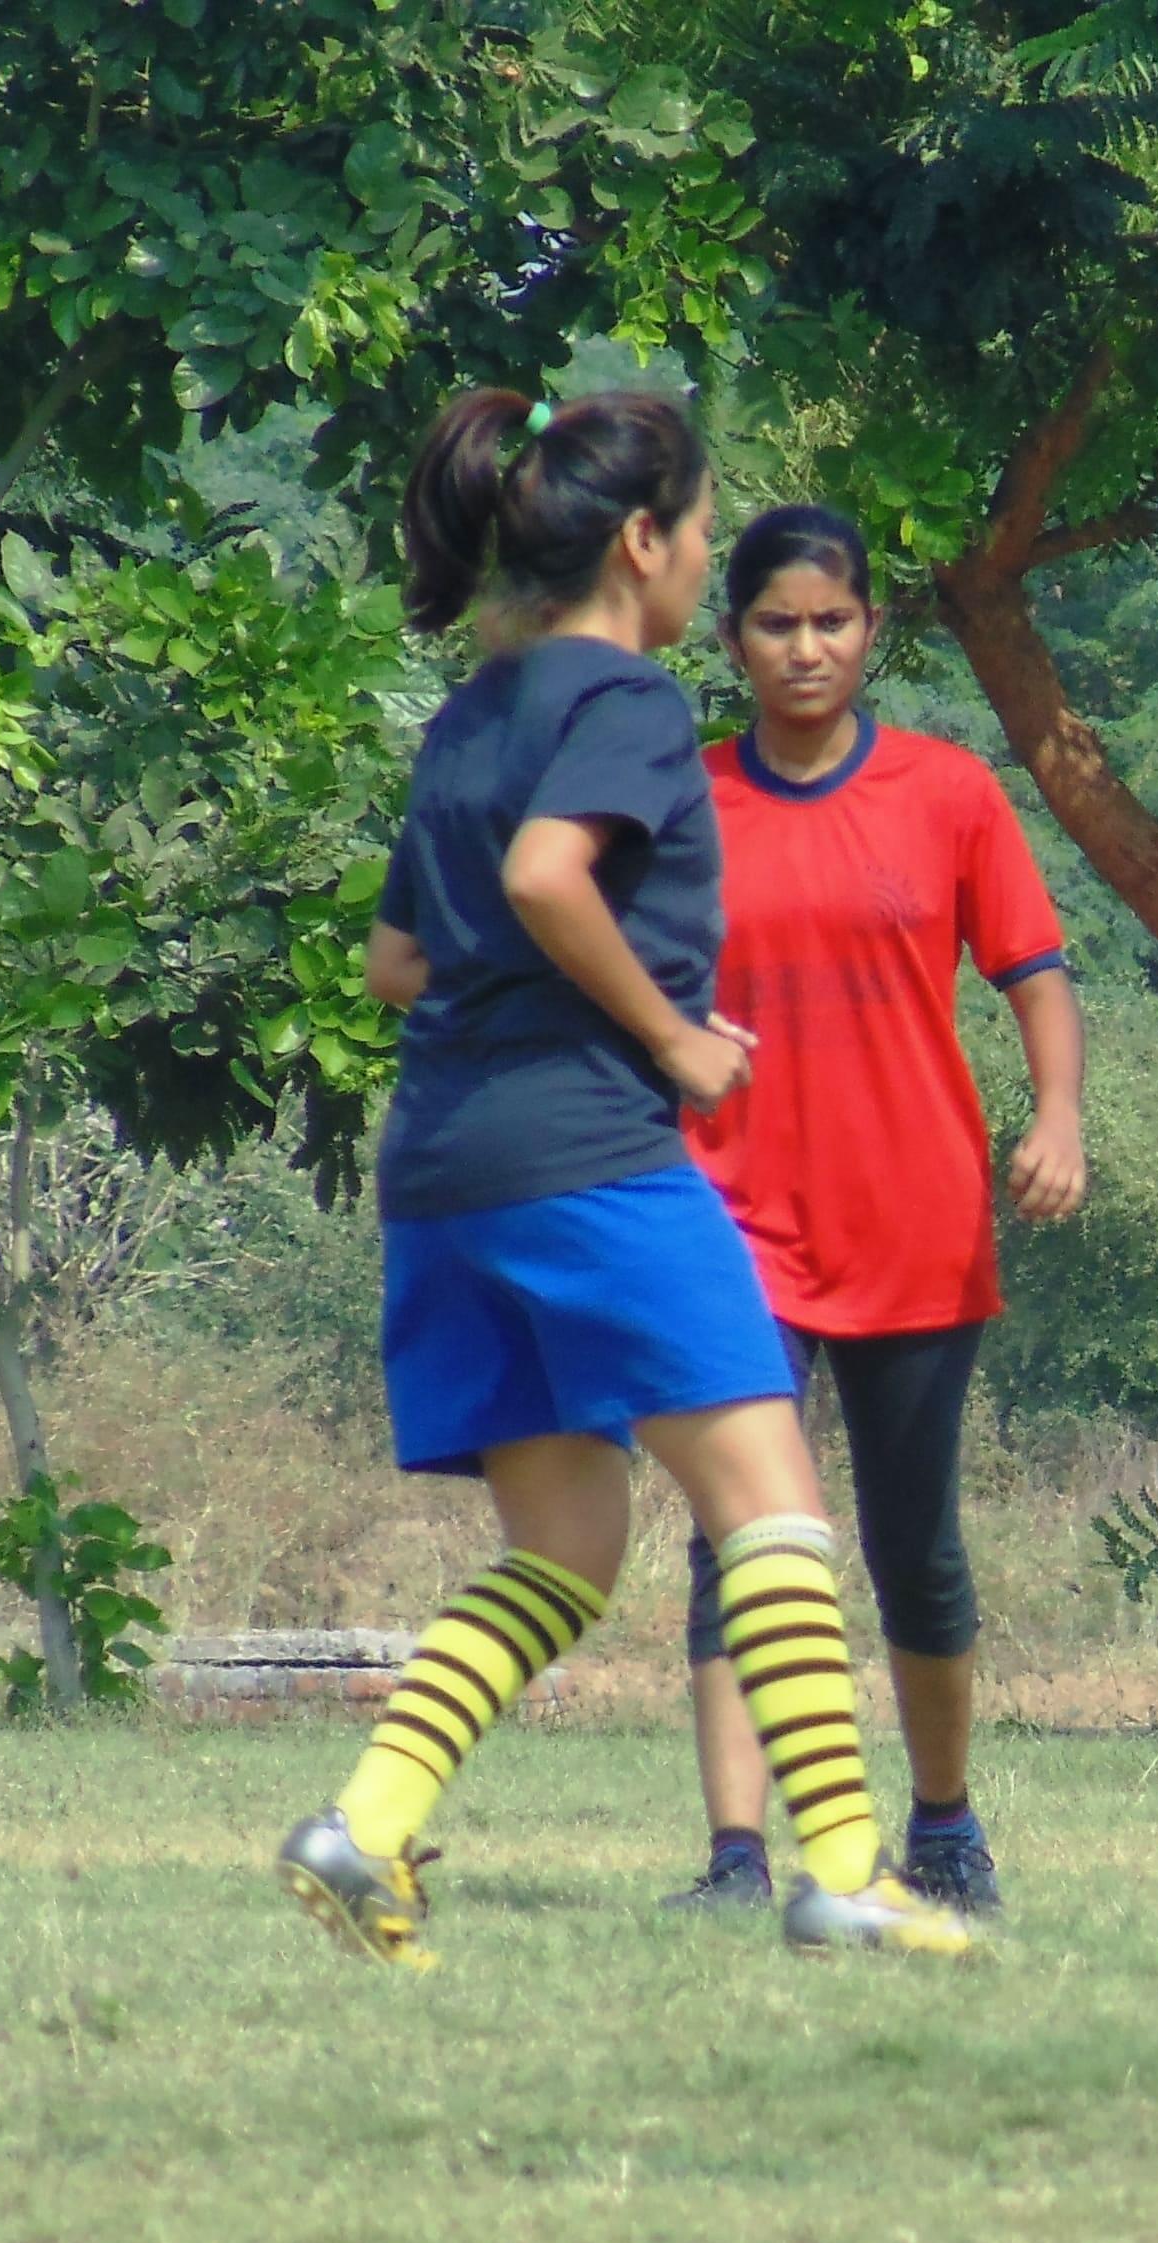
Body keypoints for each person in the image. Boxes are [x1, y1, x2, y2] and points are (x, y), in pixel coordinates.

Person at [274, 391, 971, 1967]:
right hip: (590, 1157)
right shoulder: (632, 702)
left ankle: (363, 1833)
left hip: (445, 1167)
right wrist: (671, 1036)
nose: (705, 560)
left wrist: (587, 995)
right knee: (773, 1510)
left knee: (568, 1550)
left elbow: (400, 959)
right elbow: (544, 875)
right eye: (707, 532)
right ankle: (853, 1877)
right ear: (645, 544)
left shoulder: (475, 711)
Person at [660, 504, 1087, 1919]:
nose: (804, 648)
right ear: (730, 641)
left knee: (913, 1543)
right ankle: (735, 1858)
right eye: (775, 624)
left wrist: (1061, 1119)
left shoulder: (949, 792)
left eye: (830, 621)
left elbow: (1034, 970)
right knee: (742, 1543)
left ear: (871, 633)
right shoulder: (680, 800)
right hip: (728, 1227)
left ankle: (948, 1828)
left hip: (914, 1221)